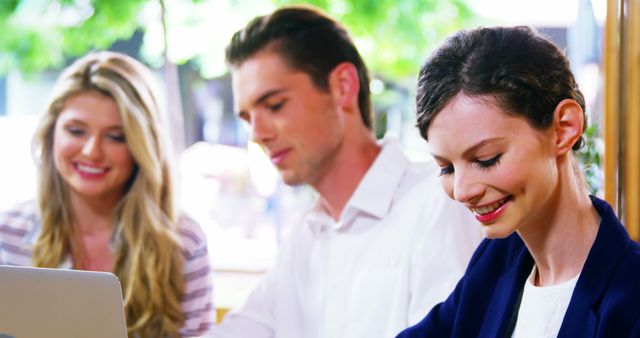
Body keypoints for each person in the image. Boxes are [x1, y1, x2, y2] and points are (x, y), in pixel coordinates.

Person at [209, 5, 483, 338]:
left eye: (274, 105)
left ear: (342, 86)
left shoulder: (440, 201)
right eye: (247, 118)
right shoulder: (305, 235)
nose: (257, 133)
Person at [397, 26, 640, 338]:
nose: (462, 191)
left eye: (487, 159)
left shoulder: (631, 298)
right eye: (447, 168)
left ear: (564, 128)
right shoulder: (495, 262)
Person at [0, 51, 214, 337]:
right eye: (76, 131)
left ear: (141, 147)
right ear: (52, 133)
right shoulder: (8, 232)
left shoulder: (182, 243)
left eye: (116, 136)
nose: (92, 151)